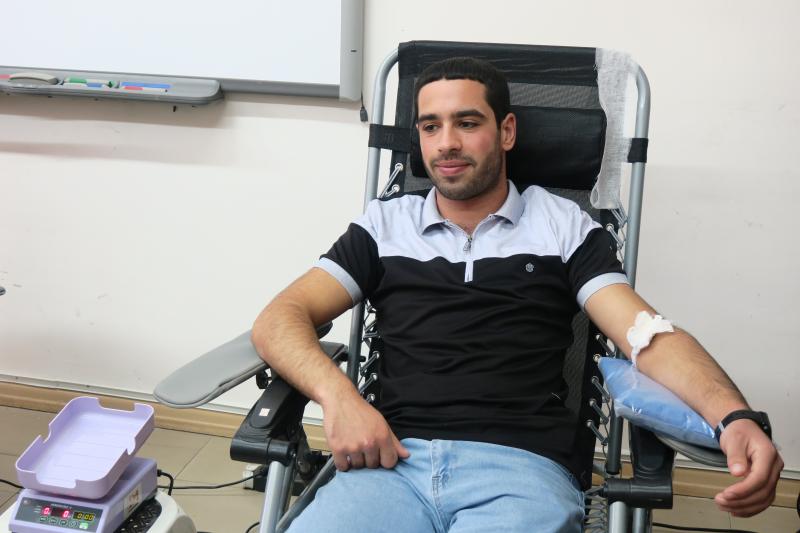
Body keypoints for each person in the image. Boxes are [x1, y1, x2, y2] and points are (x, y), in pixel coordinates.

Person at [251, 57, 783, 532]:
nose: (447, 143)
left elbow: (648, 336)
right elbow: (280, 318)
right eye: (431, 126)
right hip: (391, 462)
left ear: (506, 131)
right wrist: (340, 398)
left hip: (520, 468)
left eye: (467, 123)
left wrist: (735, 417)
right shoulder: (384, 227)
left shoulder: (563, 227)